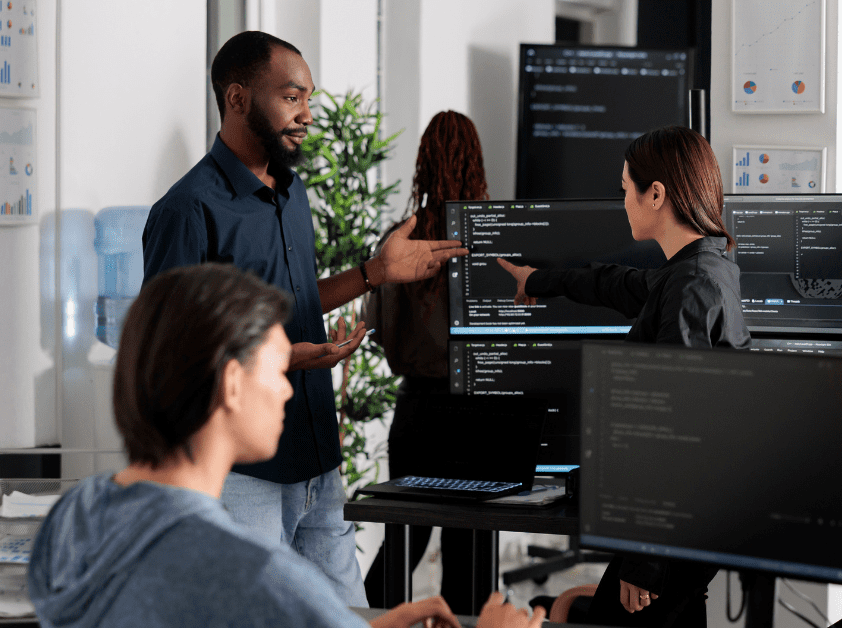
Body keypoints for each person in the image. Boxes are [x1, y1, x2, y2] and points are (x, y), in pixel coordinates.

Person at [27, 263, 545, 628]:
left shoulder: (74, 516)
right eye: (277, 370)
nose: (286, 388)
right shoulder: (258, 575)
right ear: (231, 384)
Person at [141, 31, 466, 607]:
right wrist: (286, 358)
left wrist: (374, 272)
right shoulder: (188, 209)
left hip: (316, 459)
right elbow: (171, 353)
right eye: (292, 97)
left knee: (349, 615)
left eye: (309, 99)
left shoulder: (293, 195)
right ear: (238, 98)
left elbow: (288, 306)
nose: (308, 115)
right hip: (246, 476)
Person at [497, 126, 749, 628]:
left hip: (678, 528)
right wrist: (541, 281)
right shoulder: (700, 267)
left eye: (625, 189)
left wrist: (644, 560)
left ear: (655, 194)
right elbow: (618, 282)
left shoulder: (694, 285)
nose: (624, 202)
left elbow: (675, 431)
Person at [359, 110, 488, 609]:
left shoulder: (398, 239)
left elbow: (377, 331)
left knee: (404, 543)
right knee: (472, 545)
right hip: (480, 411)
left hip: (415, 409)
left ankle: (361, 623)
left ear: (422, 163)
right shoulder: (493, 236)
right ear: (475, 160)